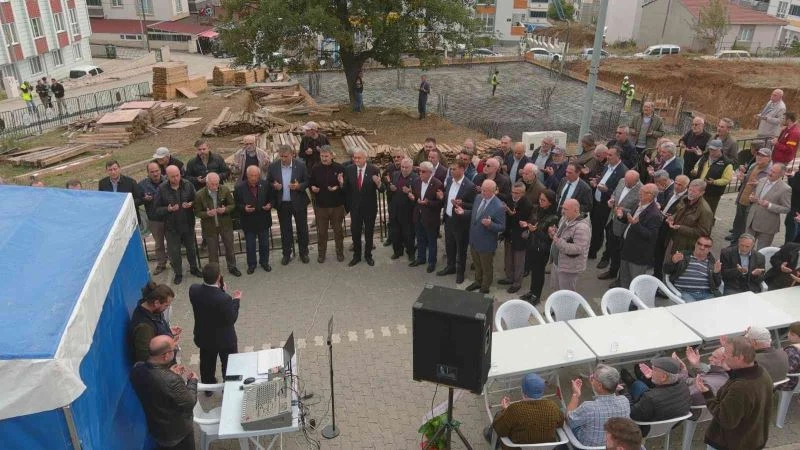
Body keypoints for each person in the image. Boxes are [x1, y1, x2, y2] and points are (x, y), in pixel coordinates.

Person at [696, 336, 773, 450]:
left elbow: (726, 419)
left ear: (740, 357)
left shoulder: (740, 388)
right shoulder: (761, 372)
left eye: (726, 353)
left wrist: (707, 394)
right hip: (753, 439)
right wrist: (730, 371)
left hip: (732, 443)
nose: (724, 356)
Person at [130, 335, 197, 450]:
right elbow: (190, 402)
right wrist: (192, 381)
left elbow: (156, 386)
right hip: (178, 434)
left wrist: (168, 372)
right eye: (174, 349)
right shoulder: (171, 380)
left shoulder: (137, 369)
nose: (175, 351)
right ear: (165, 356)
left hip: (157, 430)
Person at [189, 263, 242, 385]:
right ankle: (229, 385)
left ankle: (208, 386)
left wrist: (220, 291)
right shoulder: (224, 299)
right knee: (229, 364)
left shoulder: (194, 290)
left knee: (207, 363)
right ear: (219, 278)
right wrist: (236, 300)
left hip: (205, 337)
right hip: (225, 339)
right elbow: (232, 318)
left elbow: (208, 298)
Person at [483, 373, 564, 448]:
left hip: (516, 447)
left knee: (498, 417)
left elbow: (499, 430)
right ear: (542, 392)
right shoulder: (552, 407)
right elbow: (560, 424)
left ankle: (490, 437)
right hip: (546, 448)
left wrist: (506, 410)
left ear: (523, 392)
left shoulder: (515, 409)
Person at [155, 165, 200, 285]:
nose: (175, 179)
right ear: (167, 177)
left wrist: (191, 204)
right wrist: (167, 209)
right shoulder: (162, 188)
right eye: (172, 177)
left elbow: (197, 200)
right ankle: (178, 273)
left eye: (177, 175)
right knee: (174, 252)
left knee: (191, 249)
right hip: (171, 227)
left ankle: (194, 268)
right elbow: (157, 209)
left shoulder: (188, 184)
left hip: (187, 223)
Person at [566, 364, 630, 448]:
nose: (591, 378)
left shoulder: (588, 407)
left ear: (600, 386)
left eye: (593, 377)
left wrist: (576, 394)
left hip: (586, 447)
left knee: (568, 415)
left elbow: (568, 420)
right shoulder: (624, 401)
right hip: (612, 446)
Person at [268, 144, 310, 265]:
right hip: (283, 203)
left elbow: (307, 181)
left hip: (299, 202)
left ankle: (304, 253)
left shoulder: (301, 165)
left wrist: (299, 186)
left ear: (292, 154)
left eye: (286, 156)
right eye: (281, 156)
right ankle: (287, 254)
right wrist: (274, 186)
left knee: (302, 229)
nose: (283, 159)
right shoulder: (273, 166)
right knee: (285, 230)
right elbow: (269, 181)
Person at [194, 172, 240, 277]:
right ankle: (214, 273)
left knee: (230, 248)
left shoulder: (225, 190)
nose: (215, 187)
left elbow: (232, 205)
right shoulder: (199, 194)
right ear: (206, 183)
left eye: (216, 184)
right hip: (210, 227)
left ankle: (232, 267)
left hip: (225, 225)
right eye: (212, 184)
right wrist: (207, 214)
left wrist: (225, 209)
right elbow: (196, 212)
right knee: (212, 252)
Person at [342, 148, 382, 267]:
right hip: (355, 208)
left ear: (365, 158)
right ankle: (357, 256)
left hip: (369, 208)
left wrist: (379, 183)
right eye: (355, 157)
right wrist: (341, 183)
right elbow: (346, 189)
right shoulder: (349, 170)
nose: (356, 160)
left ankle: (368, 255)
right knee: (355, 232)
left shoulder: (374, 170)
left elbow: (382, 189)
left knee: (369, 233)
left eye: (359, 158)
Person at [598, 170, 641, 281]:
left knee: (620, 253)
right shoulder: (622, 181)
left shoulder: (641, 190)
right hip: (612, 219)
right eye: (625, 180)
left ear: (636, 181)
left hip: (624, 225)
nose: (625, 183)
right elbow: (615, 193)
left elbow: (636, 211)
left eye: (629, 182)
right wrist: (612, 199)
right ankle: (612, 271)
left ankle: (620, 278)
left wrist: (622, 210)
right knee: (612, 247)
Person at [617, 183, 663, 288]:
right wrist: (621, 216)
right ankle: (624, 301)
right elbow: (630, 221)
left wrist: (636, 225)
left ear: (650, 196)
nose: (639, 193)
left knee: (635, 282)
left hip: (638, 256)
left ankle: (634, 303)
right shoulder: (639, 204)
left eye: (643, 192)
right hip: (627, 249)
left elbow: (650, 236)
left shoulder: (654, 214)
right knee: (624, 279)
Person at [465, 179, 506, 294]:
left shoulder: (498, 206)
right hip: (474, 239)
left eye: (486, 191)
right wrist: (463, 212)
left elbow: (502, 227)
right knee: (477, 264)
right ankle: (478, 281)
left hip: (486, 243)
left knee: (486, 266)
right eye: (482, 189)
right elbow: (475, 214)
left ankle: (485, 286)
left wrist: (490, 224)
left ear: (493, 191)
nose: (482, 192)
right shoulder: (478, 198)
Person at [438, 159, 476, 284]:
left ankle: (460, 272)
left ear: (462, 169)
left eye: (454, 169)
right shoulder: (449, 181)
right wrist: (442, 196)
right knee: (449, 245)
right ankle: (450, 267)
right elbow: (447, 196)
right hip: (449, 219)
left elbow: (474, 206)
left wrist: (462, 204)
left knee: (461, 249)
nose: (451, 171)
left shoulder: (470, 186)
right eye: (451, 169)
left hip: (460, 224)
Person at [625, 357, 691, 426]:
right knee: (639, 384)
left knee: (638, 385)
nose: (651, 371)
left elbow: (632, 413)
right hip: (671, 425)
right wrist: (653, 379)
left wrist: (624, 394)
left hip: (647, 428)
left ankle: (631, 382)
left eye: (654, 369)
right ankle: (633, 381)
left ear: (663, 377)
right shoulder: (684, 387)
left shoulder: (649, 398)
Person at [520, 190, 558, 304]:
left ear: (550, 203)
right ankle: (532, 292)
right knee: (533, 271)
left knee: (539, 273)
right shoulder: (537, 209)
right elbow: (532, 221)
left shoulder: (553, 217)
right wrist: (527, 224)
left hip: (542, 249)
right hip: (532, 245)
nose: (540, 202)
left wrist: (535, 230)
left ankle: (536, 296)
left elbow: (549, 238)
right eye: (540, 199)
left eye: (543, 200)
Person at [309, 146, 346, 263]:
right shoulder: (315, 168)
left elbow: (345, 187)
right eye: (321, 156)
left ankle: (340, 252)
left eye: (326, 156)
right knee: (322, 232)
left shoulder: (339, 168)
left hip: (337, 206)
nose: (324, 158)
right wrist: (313, 188)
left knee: (338, 231)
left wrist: (339, 185)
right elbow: (311, 183)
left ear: (332, 155)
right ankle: (321, 254)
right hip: (321, 206)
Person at [727, 147, 772, 243]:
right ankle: (735, 240)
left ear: (769, 158)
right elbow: (748, 180)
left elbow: (770, 188)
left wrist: (759, 185)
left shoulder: (770, 171)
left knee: (747, 225)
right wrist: (743, 178)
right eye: (758, 155)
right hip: (743, 198)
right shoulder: (754, 165)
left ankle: (742, 244)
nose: (759, 157)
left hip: (753, 203)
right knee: (738, 221)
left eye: (763, 156)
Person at [588, 146, 626, 259]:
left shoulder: (623, 171)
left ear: (618, 157)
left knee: (604, 231)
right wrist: (597, 182)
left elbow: (620, 192)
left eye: (610, 155)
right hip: (597, 201)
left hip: (607, 205)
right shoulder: (607, 166)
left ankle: (602, 255)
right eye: (607, 154)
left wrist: (607, 191)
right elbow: (604, 180)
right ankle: (592, 250)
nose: (607, 157)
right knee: (595, 228)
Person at [234, 165, 273, 274]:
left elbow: (272, 198)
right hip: (248, 221)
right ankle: (251, 264)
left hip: (263, 219)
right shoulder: (239, 187)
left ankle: (264, 262)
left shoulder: (265, 184)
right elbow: (236, 205)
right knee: (250, 245)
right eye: (252, 175)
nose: (254, 178)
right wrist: (244, 208)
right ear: (247, 176)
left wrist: (270, 205)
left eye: (256, 175)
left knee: (264, 243)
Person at [130, 281, 179, 363]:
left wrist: (168, 331)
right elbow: (145, 359)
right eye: (166, 305)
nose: (167, 308)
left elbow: (156, 327)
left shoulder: (152, 310)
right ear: (156, 303)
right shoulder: (144, 328)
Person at [746, 163, 792, 249]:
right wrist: (752, 199)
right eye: (770, 170)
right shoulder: (762, 180)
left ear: (781, 174)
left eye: (774, 172)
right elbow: (758, 198)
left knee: (762, 251)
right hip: (752, 221)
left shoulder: (785, 189)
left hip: (767, 226)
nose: (770, 173)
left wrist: (769, 205)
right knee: (746, 247)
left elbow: (787, 208)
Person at [408, 161, 443, 272]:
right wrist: (413, 198)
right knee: (420, 238)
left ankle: (432, 262)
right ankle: (421, 258)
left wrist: (428, 203)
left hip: (431, 218)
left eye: (423, 172)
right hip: (418, 216)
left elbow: (441, 203)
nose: (420, 174)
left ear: (430, 172)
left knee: (432, 241)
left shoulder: (437, 184)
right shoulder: (416, 182)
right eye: (419, 171)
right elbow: (415, 196)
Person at [549, 198, 591, 292]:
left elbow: (578, 249)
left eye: (566, 209)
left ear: (576, 210)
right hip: (558, 263)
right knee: (557, 291)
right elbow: (561, 235)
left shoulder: (582, 228)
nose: (563, 211)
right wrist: (555, 232)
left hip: (569, 268)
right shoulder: (565, 218)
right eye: (562, 208)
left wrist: (557, 240)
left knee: (566, 295)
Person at [499, 182, 533, 294]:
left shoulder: (527, 204)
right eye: (513, 192)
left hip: (519, 236)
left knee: (518, 260)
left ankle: (517, 282)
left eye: (517, 193)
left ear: (523, 193)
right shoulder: (509, 198)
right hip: (509, 233)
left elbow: (521, 221)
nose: (514, 195)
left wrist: (510, 213)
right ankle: (509, 277)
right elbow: (504, 199)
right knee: (508, 257)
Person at [664, 236, 722, 301]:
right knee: (693, 308)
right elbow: (666, 270)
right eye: (699, 244)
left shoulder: (712, 262)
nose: (702, 247)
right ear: (695, 244)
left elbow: (717, 284)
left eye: (706, 246)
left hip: (706, 294)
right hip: (685, 292)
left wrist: (716, 273)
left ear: (710, 248)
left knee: (719, 307)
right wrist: (673, 262)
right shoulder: (683, 256)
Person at [654, 174, 689, 280]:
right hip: (661, 225)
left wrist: (672, 218)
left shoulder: (686, 199)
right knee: (658, 253)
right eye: (676, 183)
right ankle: (656, 274)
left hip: (670, 232)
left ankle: (661, 279)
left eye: (680, 185)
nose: (677, 186)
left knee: (664, 256)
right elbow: (666, 205)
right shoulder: (671, 192)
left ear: (686, 186)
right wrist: (661, 208)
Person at [665, 179, 714, 254]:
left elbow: (703, 232)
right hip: (673, 238)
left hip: (686, 246)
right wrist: (672, 218)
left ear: (702, 193)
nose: (690, 193)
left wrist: (681, 228)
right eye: (690, 189)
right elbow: (678, 211)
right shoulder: (684, 199)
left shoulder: (705, 210)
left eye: (694, 192)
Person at [139, 162, 168, 274]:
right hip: (154, 218)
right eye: (152, 172)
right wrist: (144, 199)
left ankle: (175, 263)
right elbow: (138, 198)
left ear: (160, 170)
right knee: (159, 243)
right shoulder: (142, 185)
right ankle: (161, 264)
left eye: (157, 171)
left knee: (172, 242)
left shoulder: (167, 180)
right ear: (148, 173)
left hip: (168, 217)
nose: (155, 174)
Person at [388, 158, 418, 262]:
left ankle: (411, 253)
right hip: (395, 209)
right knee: (395, 233)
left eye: (406, 167)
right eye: (402, 167)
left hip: (408, 211)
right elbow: (390, 189)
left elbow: (418, 195)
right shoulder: (396, 174)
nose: (404, 169)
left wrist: (411, 191)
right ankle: (397, 251)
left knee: (408, 234)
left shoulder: (416, 178)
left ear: (412, 167)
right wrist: (391, 188)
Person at [692, 139, 733, 214]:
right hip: (699, 189)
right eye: (710, 149)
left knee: (708, 212)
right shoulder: (705, 156)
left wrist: (714, 182)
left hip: (712, 193)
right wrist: (695, 171)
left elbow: (727, 179)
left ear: (720, 149)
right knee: (695, 210)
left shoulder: (726, 163)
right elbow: (697, 165)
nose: (711, 151)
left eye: (714, 150)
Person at [630, 101, 664, 173]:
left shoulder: (658, 120)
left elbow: (662, 133)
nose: (645, 108)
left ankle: (642, 180)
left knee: (644, 166)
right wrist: (633, 132)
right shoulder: (637, 117)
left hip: (648, 148)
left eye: (648, 107)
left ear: (652, 109)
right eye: (644, 106)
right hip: (635, 145)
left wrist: (652, 133)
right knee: (633, 163)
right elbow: (630, 128)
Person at [780, 322, 800, 392]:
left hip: (790, 383)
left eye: (791, 333)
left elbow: (786, 370)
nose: (788, 334)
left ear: (796, 335)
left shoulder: (792, 352)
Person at [787, 168, 800, 243]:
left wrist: (790, 178)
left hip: (794, 212)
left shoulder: (796, 177)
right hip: (794, 213)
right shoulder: (796, 177)